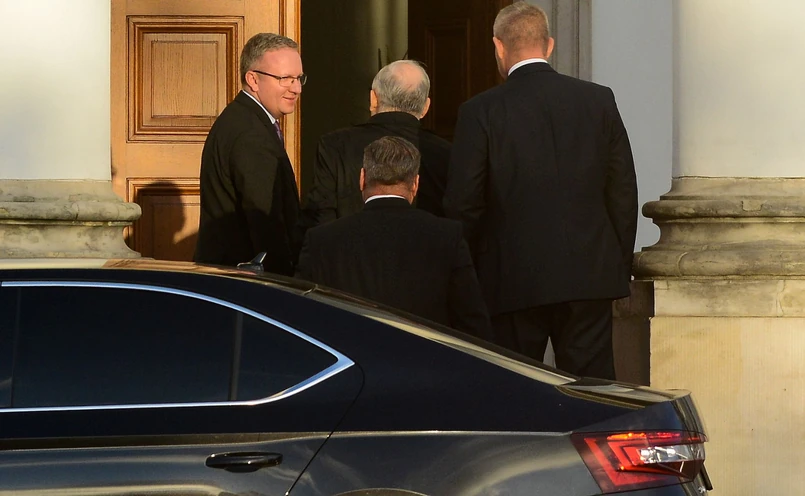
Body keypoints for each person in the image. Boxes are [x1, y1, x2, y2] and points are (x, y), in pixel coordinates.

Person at [443, 2, 637, 379]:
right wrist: (614, 267)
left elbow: (463, 205)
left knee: (517, 392)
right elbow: (622, 193)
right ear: (549, 45)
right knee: (591, 393)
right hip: (589, 277)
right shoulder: (598, 100)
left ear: (498, 46)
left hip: (510, 280)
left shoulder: (480, 111)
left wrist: (469, 280)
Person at [296, 136, 492, 339]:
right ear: (415, 184)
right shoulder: (447, 236)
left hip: (349, 356)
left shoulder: (322, 241)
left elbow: (301, 321)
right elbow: (474, 327)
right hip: (423, 357)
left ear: (362, 179)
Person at [194, 33, 304, 275]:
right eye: (285, 79)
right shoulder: (250, 133)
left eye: (298, 78)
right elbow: (265, 220)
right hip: (242, 280)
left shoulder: (244, 120)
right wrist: (284, 280)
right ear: (253, 79)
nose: (296, 88)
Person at [299, 60, 450, 232]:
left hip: (348, 247)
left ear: (373, 98)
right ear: (426, 107)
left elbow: (321, 218)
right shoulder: (446, 154)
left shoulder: (335, 146)